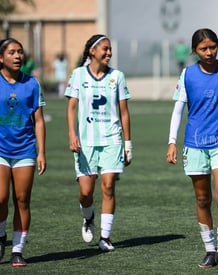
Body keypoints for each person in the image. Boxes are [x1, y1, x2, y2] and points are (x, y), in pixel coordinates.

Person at [166, 28, 218, 271]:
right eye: (204, 49)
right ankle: (209, 250)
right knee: (203, 199)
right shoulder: (187, 74)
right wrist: (172, 141)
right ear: (195, 51)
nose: (209, 52)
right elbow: (179, 110)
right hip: (195, 144)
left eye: (213, 47)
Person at [65, 34, 133, 252]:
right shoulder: (77, 75)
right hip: (85, 142)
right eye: (105, 49)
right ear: (92, 51)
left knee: (108, 186)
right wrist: (72, 134)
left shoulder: (118, 77)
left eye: (110, 49)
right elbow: (72, 107)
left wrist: (127, 143)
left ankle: (105, 237)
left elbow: (124, 112)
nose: (109, 53)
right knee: (86, 193)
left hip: (112, 139)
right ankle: (88, 217)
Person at [0, 38, 46, 267]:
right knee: (0, 198)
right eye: (12, 52)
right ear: (1, 58)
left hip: (25, 149)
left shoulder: (32, 84)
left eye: (20, 52)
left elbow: (38, 121)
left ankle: (17, 250)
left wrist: (41, 152)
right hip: (0, 149)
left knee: (22, 200)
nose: (18, 56)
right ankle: (1, 235)